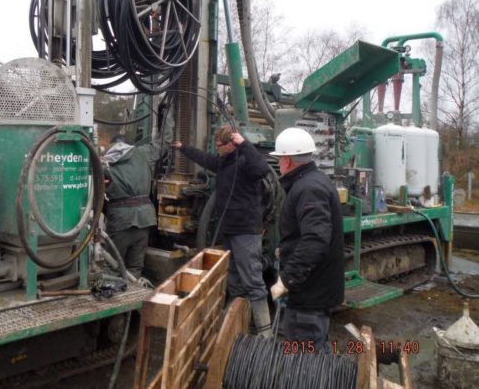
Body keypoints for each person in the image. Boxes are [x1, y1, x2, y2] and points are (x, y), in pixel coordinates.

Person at [172, 126, 272, 336]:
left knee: (253, 281)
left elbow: (262, 169)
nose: (217, 149)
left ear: (230, 144)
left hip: (246, 230)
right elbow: (205, 158)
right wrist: (184, 148)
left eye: (220, 146)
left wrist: (244, 144)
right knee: (234, 279)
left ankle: (265, 335)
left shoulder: (245, 163)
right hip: (230, 230)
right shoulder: (223, 163)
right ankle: (237, 329)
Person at [269, 127, 344, 353]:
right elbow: (308, 234)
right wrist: (288, 249)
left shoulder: (308, 188)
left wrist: (286, 280)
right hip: (314, 291)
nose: (278, 164)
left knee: (305, 366)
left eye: (279, 159)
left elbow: (315, 239)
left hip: (309, 296)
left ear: (287, 161)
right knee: (316, 353)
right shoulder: (312, 182)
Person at [102, 114, 172, 283]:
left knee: (112, 266)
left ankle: (114, 304)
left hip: (120, 221)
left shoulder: (103, 163)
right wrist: (169, 115)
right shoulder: (142, 153)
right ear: (127, 145)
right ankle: (132, 302)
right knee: (135, 267)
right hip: (145, 218)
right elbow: (166, 141)